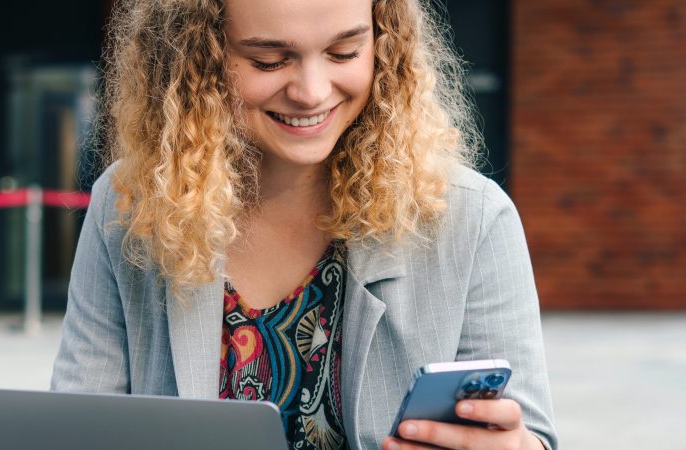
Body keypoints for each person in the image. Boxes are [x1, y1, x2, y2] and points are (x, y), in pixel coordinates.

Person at [51, 0, 558, 448]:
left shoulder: (474, 218)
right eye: (269, 60)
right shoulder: (131, 206)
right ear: (194, 59)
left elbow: (528, 433)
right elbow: (75, 425)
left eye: (344, 54)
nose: (312, 93)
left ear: (384, 43)